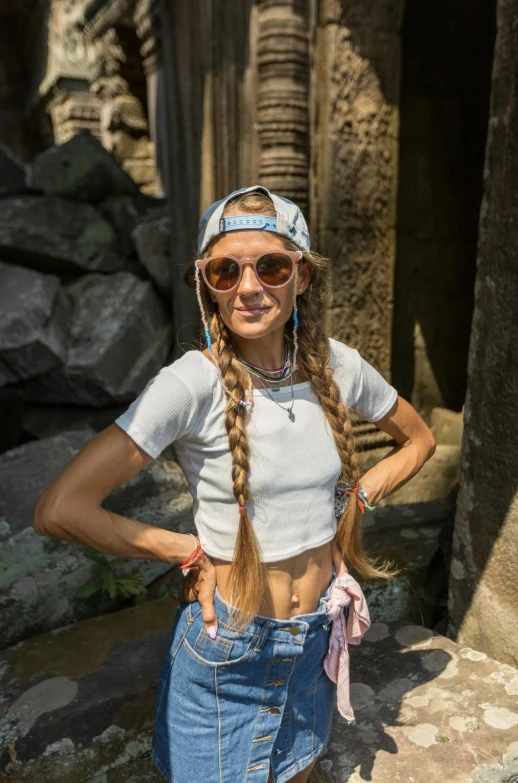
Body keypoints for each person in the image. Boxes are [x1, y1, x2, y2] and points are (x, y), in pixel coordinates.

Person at [33, 185, 436, 783]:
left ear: (301, 276)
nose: (249, 287)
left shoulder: (338, 364)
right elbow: (61, 508)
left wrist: (357, 497)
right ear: (206, 284)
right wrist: (185, 551)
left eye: (271, 265)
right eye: (226, 271)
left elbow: (419, 438)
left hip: (315, 641)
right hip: (229, 656)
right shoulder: (188, 384)